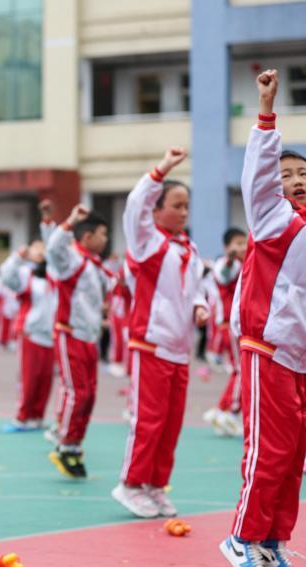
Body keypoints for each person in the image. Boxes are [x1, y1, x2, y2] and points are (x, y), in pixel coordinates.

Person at [220, 70, 306, 567]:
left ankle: (271, 543)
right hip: (265, 348)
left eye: (302, 173)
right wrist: (267, 110)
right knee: (268, 452)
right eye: (285, 174)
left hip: (296, 359)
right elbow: (258, 175)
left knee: (291, 456)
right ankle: (242, 537)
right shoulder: (271, 218)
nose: (294, 180)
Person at [113, 147, 208, 518]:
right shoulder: (146, 241)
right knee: (148, 420)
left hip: (179, 349)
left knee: (170, 424)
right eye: (176, 205)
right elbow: (135, 204)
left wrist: (201, 305)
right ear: (156, 210)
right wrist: (163, 168)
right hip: (150, 344)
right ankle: (131, 483)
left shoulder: (189, 247)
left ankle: (155, 485)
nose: (183, 212)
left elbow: (195, 288)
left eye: (187, 206)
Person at [45, 204, 114, 479]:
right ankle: (65, 443)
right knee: (77, 393)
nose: (106, 240)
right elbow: (53, 250)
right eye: (103, 234)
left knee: (90, 395)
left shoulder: (95, 266)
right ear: (87, 238)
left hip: (89, 336)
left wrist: (101, 316)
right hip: (70, 333)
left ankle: (75, 444)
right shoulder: (72, 259)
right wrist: (70, 221)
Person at [0, 238, 55, 431]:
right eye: (36, 247)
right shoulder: (26, 274)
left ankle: (37, 416)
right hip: (30, 333)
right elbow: (6, 276)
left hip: (51, 336)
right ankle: (22, 417)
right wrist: (17, 257)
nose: (40, 251)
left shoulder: (54, 275)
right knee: (29, 378)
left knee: (46, 379)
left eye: (43, 247)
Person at [204, 228, 247, 438]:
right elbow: (223, 274)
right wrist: (230, 259)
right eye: (237, 243)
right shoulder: (227, 264)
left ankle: (221, 409)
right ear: (227, 247)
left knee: (237, 370)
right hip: (231, 325)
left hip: (233, 325)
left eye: (244, 243)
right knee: (242, 370)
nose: (242, 247)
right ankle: (232, 411)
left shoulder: (243, 263)